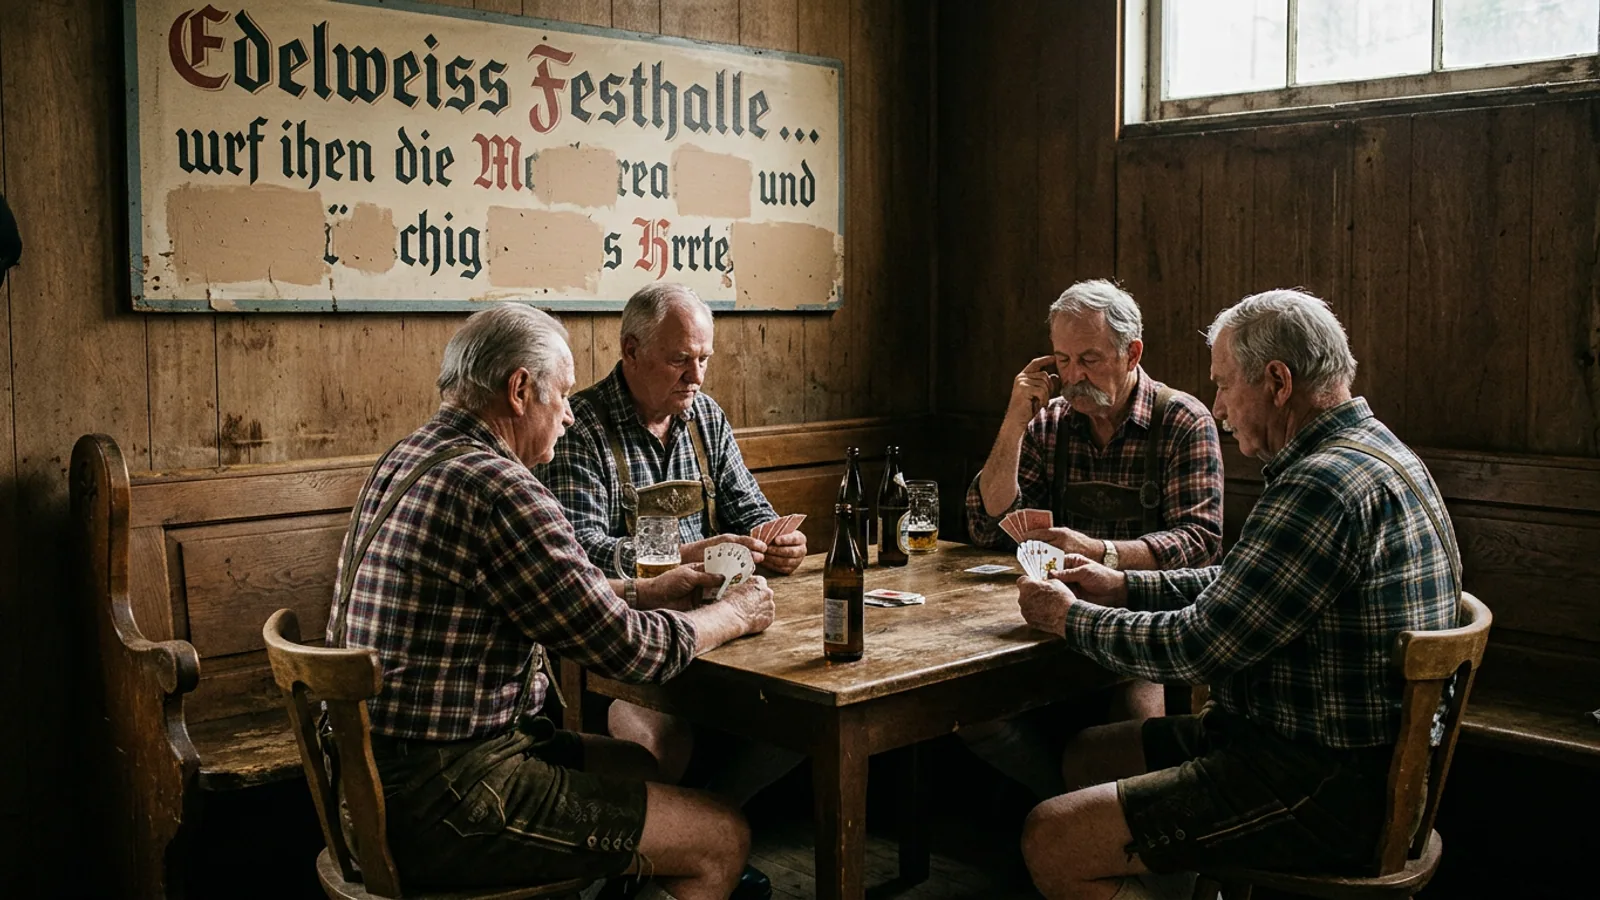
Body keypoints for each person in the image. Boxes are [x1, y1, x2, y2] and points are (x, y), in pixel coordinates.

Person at [1015, 289, 1461, 900]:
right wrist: (1121, 584)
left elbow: (1198, 647)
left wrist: (1071, 619)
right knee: (1088, 757)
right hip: (1325, 756)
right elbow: (1244, 586)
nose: (1219, 407)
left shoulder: (1321, 486)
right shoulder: (1374, 450)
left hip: (1324, 787)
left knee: (1049, 838)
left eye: (1225, 385)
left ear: (1277, 381)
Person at [329, 303, 776, 900]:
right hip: (445, 799)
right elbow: (632, 652)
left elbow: (550, 590)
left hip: (367, 785)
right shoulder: (502, 489)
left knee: (640, 766)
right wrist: (734, 613)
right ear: (519, 391)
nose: (568, 414)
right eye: (561, 395)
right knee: (722, 835)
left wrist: (645, 589)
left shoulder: (408, 456)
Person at [538, 283, 806, 900]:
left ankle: (696, 838)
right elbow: (578, 552)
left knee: (799, 721)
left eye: (704, 358)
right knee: (661, 737)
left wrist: (775, 541)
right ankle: (676, 856)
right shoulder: (579, 428)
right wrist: (675, 561)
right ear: (631, 351)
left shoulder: (705, 417)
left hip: (724, 636)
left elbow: (750, 509)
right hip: (622, 644)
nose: (696, 375)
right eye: (680, 359)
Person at [960, 279, 1224, 800]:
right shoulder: (1051, 422)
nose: (1073, 376)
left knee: (1133, 710)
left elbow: (1201, 542)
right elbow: (987, 523)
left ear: (1133, 353)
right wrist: (1014, 423)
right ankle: (1060, 804)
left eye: (1089, 359)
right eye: (1062, 360)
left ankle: (1090, 816)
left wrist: (1103, 554)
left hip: (1141, 623)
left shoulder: (1181, 420)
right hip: (1049, 620)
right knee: (970, 713)